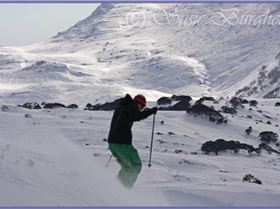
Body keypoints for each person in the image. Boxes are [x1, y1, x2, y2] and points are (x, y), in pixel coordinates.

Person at [108, 94, 157, 189]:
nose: (141, 109)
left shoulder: (121, 107)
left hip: (113, 143)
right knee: (136, 165)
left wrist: (145, 112)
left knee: (126, 167)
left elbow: (131, 116)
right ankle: (124, 189)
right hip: (123, 144)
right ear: (140, 104)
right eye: (142, 107)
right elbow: (136, 116)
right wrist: (150, 112)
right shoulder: (132, 105)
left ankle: (115, 188)